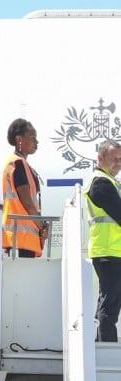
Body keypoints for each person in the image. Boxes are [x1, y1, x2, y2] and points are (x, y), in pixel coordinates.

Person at [84, 139, 121, 342]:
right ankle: (108, 350)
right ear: (100, 158)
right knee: (110, 305)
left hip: (111, 251)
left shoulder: (109, 181)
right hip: (109, 252)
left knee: (108, 301)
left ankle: (100, 345)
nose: (118, 163)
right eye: (114, 159)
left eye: (120, 159)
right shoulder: (100, 182)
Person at [2, 118, 47, 257]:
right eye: (32, 136)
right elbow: (27, 202)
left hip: (23, 240)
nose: (36, 141)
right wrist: (42, 226)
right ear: (19, 140)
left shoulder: (22, 165)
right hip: (20, 241)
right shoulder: (18, 164)